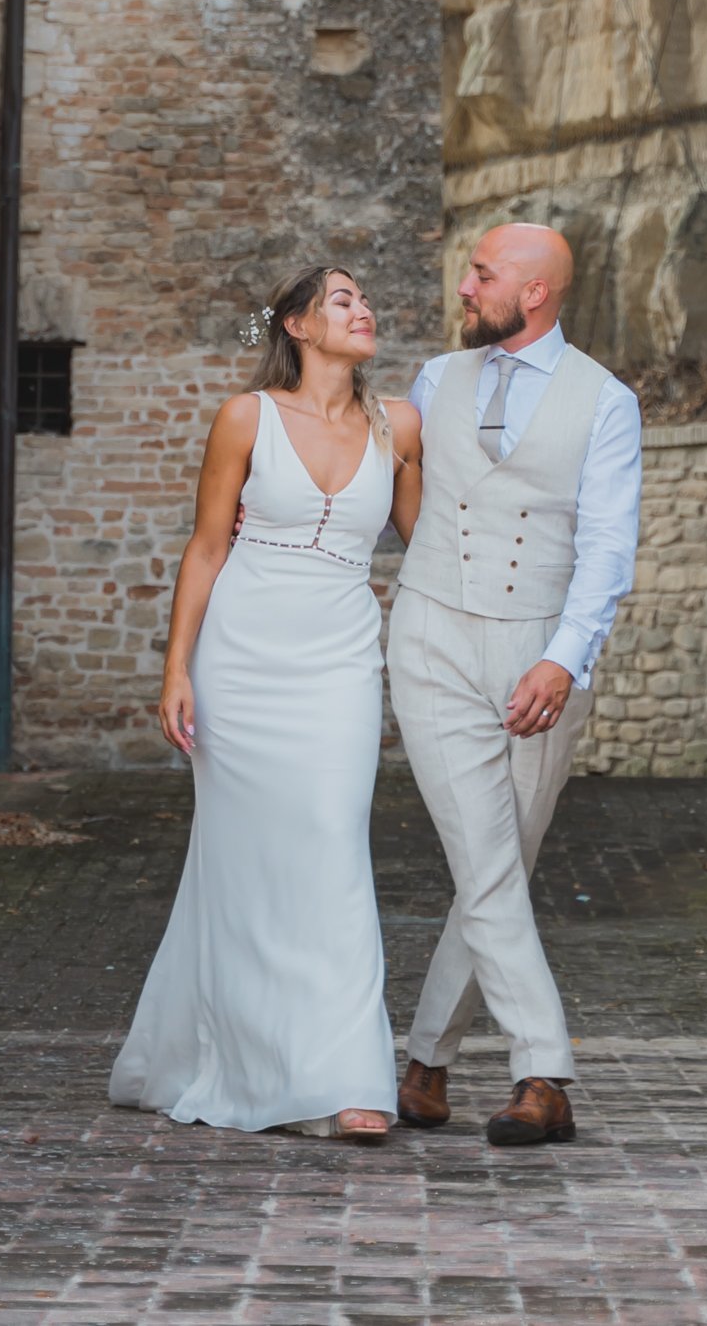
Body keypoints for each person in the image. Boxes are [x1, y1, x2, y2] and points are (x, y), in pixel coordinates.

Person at [110, 260, 423, 1138]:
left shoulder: (399, 424)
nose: (363, 309)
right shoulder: (243, 418)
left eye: (365, 296)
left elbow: (429, 540)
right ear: (296, 326)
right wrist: (176, 669)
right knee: (244, 866)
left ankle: (348, 1077)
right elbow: (207, 549)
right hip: (240, 658)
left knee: (331, 844)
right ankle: (255, 1066)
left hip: (339, 662)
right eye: (342, 300)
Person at [388, 221, 642, 1148]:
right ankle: (545, 1072)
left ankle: (424, 1067)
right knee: (484, 855)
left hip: (540, 651)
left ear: (532, 292)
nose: (465, 286)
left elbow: (609, 548)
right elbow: (386, 478)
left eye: (481, 273)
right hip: (431, 636)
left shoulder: (605, 402)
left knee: (498, 861)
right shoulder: (433, 379)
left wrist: (562, 659)